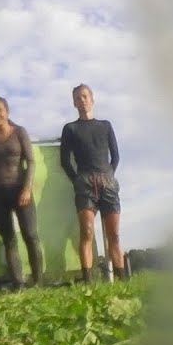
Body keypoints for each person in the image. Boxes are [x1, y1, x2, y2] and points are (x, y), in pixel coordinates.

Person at [60, 83, 126, 282]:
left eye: (85, 96)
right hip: (85, 183)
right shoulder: (70, 128)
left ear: (92, 99)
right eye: (78, 97)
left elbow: (116, 156)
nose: (82, 100)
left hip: (108, 182)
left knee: (113, 235)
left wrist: (109, 175)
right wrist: (77, 181)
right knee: (86, 231)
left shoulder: (105, 125)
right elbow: (64, 161)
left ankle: (123, 280)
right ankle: (88, 280)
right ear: (74, 102)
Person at [0, 96, 43, 289]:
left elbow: (31, 161)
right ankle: (18, 283)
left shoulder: (19, 132)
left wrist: (26, 188)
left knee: (30, 235)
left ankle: (38, 281)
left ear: (7, 112)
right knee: (9, 240)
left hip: (20, 191)